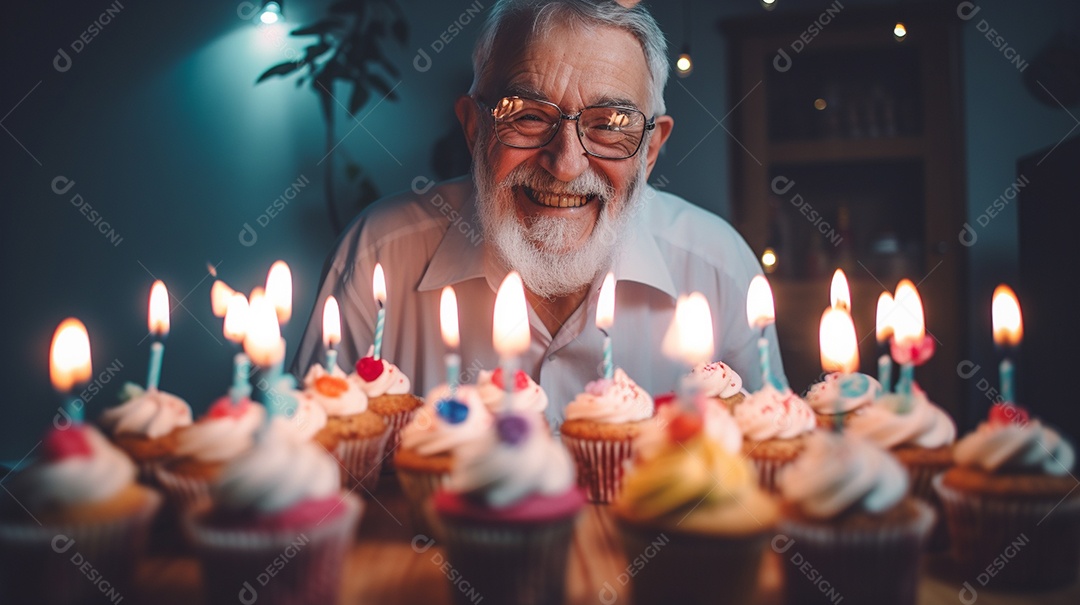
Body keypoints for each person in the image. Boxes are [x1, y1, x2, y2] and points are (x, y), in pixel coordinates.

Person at [293, 0, 785, 429]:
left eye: (610, 124)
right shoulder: (377, 257)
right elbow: (304, 474)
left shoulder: (717, 266)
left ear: (650, 149)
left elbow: (768, 471)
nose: (566, 165)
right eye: (528, 115)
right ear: (473, 128)